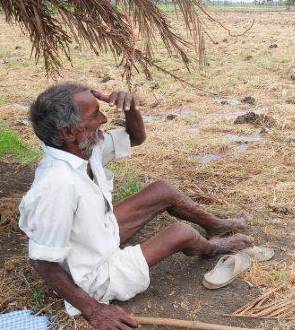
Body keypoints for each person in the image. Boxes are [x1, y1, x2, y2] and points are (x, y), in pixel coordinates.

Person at [18, 83, 253, 330]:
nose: (104, 119)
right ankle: (209, 248)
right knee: (181, 233)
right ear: (68, 132)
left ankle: (216, 226)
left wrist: (130, 108)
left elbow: (136, 138)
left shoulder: (82, 149)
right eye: (95, 114)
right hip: (92, 276)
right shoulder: (57, 185)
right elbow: (42, 261)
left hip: (96, 238)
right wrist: (94, 310)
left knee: (162, 191)